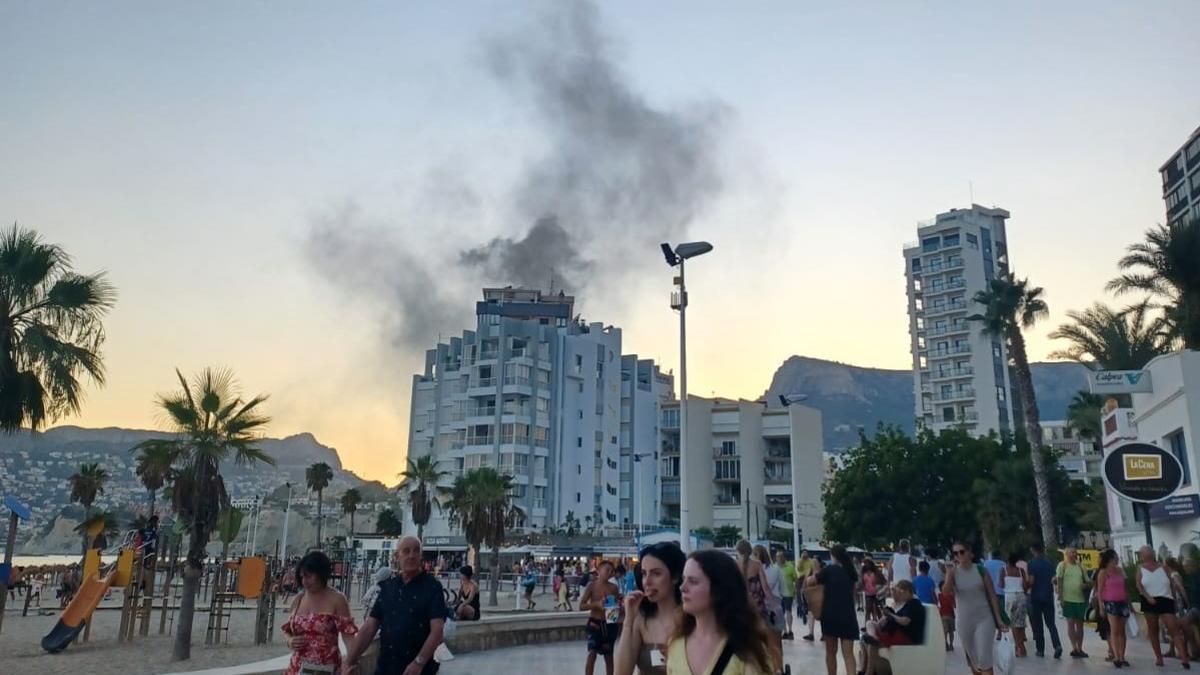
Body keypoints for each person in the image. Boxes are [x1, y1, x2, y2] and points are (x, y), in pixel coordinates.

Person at [342, 536, 446, 675]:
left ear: (421, 555)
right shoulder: (388, 587)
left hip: (420, 669)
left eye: (416, 551)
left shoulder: (432, 587)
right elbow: (370, 627)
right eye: (406, 551)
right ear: (397, 556)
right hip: (387, 667)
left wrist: (418, 662)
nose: (411, 555)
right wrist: (349, 661)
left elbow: (437, 630)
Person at [667, 549, 772, 675]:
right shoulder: (676, 644)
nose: (682, 587)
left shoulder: (747, 649)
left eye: (693, 581)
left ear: (719, 589)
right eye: (683, 579)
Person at [281, 551, 358, 675]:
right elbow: (287, 630)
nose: (304, 581)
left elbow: (348, 637)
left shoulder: (337, 599)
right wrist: (290, 641)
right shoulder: (299, 599)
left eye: (308, 576)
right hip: (297, 667)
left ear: (321, 574)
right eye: (301, 577)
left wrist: (350, 662)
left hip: (326, 668)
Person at [616, 542, 686, 675]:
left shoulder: (691, 619)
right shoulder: (641, 620)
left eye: (656, 574)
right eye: (643, 573)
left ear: (675, 577)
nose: (647, 582)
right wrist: (628, 622)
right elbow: (621, 672)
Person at [944, 540, 1008, 674]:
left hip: (984, 618)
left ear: (970, 553)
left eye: (962, 552)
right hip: (964, 621)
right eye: (955, 553)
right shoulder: (953, 573)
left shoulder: (981, 570)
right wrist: (949, 575)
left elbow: (992, 596)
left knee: (985, 659)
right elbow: (945, 592)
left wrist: (999, 619)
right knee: (973, 660)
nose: (958, 555)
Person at [1135, 545, 1191, 669]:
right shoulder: (1140, 568)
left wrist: (1175, 600)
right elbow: (1139, 585)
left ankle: (1184, 658)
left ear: (1151, 554)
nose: (1143, 556)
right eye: (1142, 554)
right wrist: (1147, 596)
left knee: (1173, 628)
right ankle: (1159, 657)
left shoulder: (1163, 567)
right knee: (1153, 629)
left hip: (1165, 599)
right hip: (1149, 600)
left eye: (1143, 553)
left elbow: (1171, 584)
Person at [807, 544, 858, 675]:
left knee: (831, 652)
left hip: (831, 614)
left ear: (833, 556)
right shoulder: (851, 572)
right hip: (848, 615)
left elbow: (810, 581)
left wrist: (814, 571)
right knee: (848, 654)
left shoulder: (829, 570)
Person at [860, 579, 926, 675]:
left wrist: (891, 615)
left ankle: (869, 672)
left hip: (905, 635)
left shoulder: (914, 604)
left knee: (872, 644)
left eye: (900, 592)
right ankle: (863, 668)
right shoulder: (907, 604)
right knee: (865, 636)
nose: (899, 595)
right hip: (896, 632)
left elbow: (905, 622)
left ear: (907, 591)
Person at [581, 559, 623, 675]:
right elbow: (581, 605)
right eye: (607, 570)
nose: (610, 573)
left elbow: (614, 610)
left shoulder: (613, 588)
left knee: (609, 656)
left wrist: (617, 609)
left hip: (608, 624)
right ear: (599, 570)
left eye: (612, 571)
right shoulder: (592, 586)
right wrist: (596, 604)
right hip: (594, 623)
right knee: (591, 653)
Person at [1026, 542, 1062, 659]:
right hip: (1048, 596)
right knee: (1051, 624)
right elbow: (1054, 579)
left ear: (1033, 550)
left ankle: (1040, 650)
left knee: (1038, 625)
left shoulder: (1031, 564)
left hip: (1036, 597)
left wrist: (1025, 587)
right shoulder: (1049, 563)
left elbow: (1031, 581)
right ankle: (1057, 645)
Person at [753, 544, 786, 674]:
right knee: (777, 642)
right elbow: (782, 589)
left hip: (762, 608)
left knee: (762, 643)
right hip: (776, 606)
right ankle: (780, 668)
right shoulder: (776, 569)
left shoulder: (755, 571)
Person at [1096, 548, 1130, 668]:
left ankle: (1122, 656)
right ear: (1110, 559)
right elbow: (1099, 591)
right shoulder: (1103, 572)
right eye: (1115, 557)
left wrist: (1128, 602)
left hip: (1122, 601)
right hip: (1111, 602)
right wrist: (1101, 606)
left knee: (1122, 630)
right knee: (1114, 629)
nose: (1117, 559)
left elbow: (1125, 587)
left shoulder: (1120, 570)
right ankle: (1116, 656)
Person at [1054, 546, 1089, 659]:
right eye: (1072, 552)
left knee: (1080, 625)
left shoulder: (1080, 566)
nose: (1074, 554)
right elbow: (1059, 582)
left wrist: (1087, 585)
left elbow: (1088, 580)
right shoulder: (1062, 565)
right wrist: (1061, 597)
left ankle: (1080, 647)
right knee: (1070, 623)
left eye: (1075, 552)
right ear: (1067, 554)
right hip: (1068, 600)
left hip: (1080, 599)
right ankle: (1074, 647)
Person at [1000, 551, 1030, 657]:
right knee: (1020, 623)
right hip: (1021, 596)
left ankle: (1018, 647)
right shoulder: (1021, 571)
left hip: (1009, 596)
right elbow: (1026, 585)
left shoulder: (1004, 570)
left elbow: (1001, 584)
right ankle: (1021, 645)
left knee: (1013, 623)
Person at [775, 550, 797, 640]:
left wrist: (796, 590)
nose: (779, 558)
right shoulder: (774, 567)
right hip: (778, 594)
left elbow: (796, 579)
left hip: (788, 592)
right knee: (780, 613)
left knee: (788, 611)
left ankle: (790, 631)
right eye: (777, 556)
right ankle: (784, 631)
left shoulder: (790, 566)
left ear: (784, 557)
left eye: (780, 556)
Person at [802, 557, 824, 642]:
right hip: (811, 598)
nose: (814, 563)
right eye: (813, 562)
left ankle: (824, 634)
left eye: (815, 562)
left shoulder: (822, 572)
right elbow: (805, 583)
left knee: (822, 616)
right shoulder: (810, 572)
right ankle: (811, 633)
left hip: (820, 597)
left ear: (819, 563)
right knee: (810, 615)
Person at [796, 550, 814, 627]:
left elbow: (812, 569)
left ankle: (805, 608)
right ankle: (801, 607)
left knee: (806, 595)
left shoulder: (811, 561)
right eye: (803, 554)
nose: (805, 556)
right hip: (801, 578)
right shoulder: (800, 561)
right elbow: (799, 569)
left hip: (808, 578)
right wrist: (802, 560)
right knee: (800, 594)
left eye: (806, 554)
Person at [938, 580, 956, 652]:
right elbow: (955, 605)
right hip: (948, 615)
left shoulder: (939, 595)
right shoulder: (950, 596)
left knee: (946, 632)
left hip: (945, 615)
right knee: (949, 632)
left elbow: (954, 605)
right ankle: (949, 645)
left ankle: (948, 645)